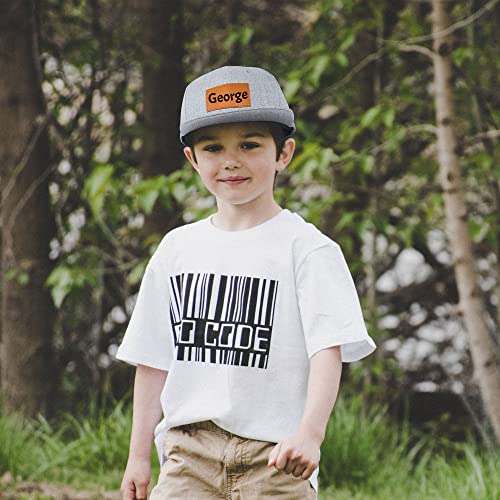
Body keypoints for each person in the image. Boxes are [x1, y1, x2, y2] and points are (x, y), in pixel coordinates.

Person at [116, 66, 376, 500]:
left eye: (250, 144)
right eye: (213, 147)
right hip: (188, 453)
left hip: (276, 458)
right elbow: (152, 358)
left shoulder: (308, 249)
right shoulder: (177, 249)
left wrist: (310, 435)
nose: (231, 160)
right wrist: (138, 456)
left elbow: (327, 352)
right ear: (192, 159)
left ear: (283, 153)